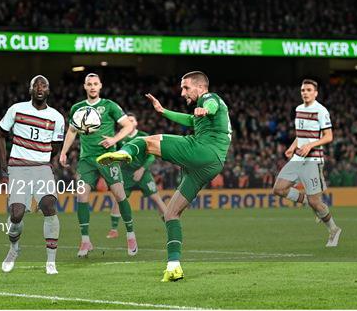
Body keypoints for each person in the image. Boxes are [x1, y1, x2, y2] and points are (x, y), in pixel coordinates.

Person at [97, 71, 232, 281]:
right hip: (211, 164)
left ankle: (124, 154)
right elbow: (190, 119)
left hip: (204, 150)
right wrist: (162, 111)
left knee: (146, 142)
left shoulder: (209, 98)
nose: (182, 92)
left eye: (186, 87)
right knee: (170, 214)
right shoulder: (202, 113)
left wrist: (205, 109)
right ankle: (173, 267)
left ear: (200, 87)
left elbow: (211, 105)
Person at [59, 73, 138, 257]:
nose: (93, 87)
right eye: (89, 84)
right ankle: (85, 241)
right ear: (85, 86)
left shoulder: (109, 106)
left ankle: (130, 235)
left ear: (100, 86)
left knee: (119, 194)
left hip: (108, 157)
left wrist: (114, 139)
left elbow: (128, 126)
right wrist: (63, 151)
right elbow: (71, 131)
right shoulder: (77, 108)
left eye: (95, 84)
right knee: (81, 196)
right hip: (86, 159)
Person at [0, 75, 64, 274]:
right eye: (36, 85)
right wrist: (3, 166)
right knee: (16, 214)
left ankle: (51, 261)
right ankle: (14, 249)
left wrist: (45, 161)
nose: (40, 88)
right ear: (31, 90)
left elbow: (57, 145)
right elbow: (0, 134)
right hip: (18, 167)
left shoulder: (57, 117)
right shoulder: (16, 109)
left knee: (48, 205)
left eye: (44, 85)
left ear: (48, 90)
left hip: (42, 167)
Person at [272, 79, 341, 247]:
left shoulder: (321, 111)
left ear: (315, 93)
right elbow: (301, 135)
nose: (305, 92)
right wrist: (292, 147)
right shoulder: (299, 109)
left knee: (316, 202)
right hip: (298, 158)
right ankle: (305, 201)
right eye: (303, 90)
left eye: (309, 90)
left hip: (313, 160)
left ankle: (333, 229)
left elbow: (328, 136)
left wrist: (310, 145)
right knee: (279, 189)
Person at [106, 113, 166, 239]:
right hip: (126, 173)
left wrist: (142, 169)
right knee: (119, 200)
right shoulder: (120, 137)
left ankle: (170, 224)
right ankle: (113, 229)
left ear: (136, 123)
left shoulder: (144, 136)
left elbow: (151, 155)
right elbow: (115, 153)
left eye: (132, 120)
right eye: (128, 120)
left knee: (157, 199)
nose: (130, 122)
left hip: (143, 172)